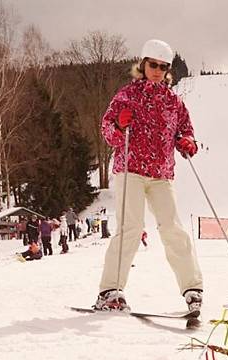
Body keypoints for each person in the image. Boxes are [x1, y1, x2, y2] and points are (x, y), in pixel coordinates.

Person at [95, 38, 203, 313]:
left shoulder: (173, 102)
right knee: (130, 227)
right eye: (152, 64)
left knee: (172, 227)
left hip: (161, 173)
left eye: (163, 66)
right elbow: (108, 131)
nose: (157, 70)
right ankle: (110, 290)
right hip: (130, 169)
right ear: (142, 65)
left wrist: (187, 142)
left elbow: (184, 130)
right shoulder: (126, 96)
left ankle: (192, 288)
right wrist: (119, 126)